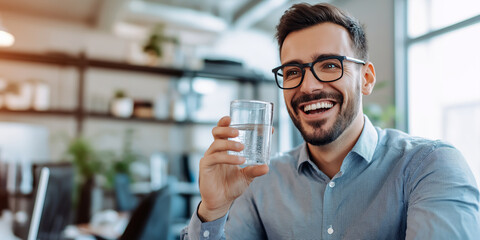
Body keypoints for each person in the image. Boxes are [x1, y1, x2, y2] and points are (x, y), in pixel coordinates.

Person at [181, 3, 480, 240]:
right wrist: (213, 210)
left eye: (329, 65)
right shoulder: (259, 182)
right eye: (293, 71)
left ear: (366, 79)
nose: (309, 87)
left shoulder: (429, 166)